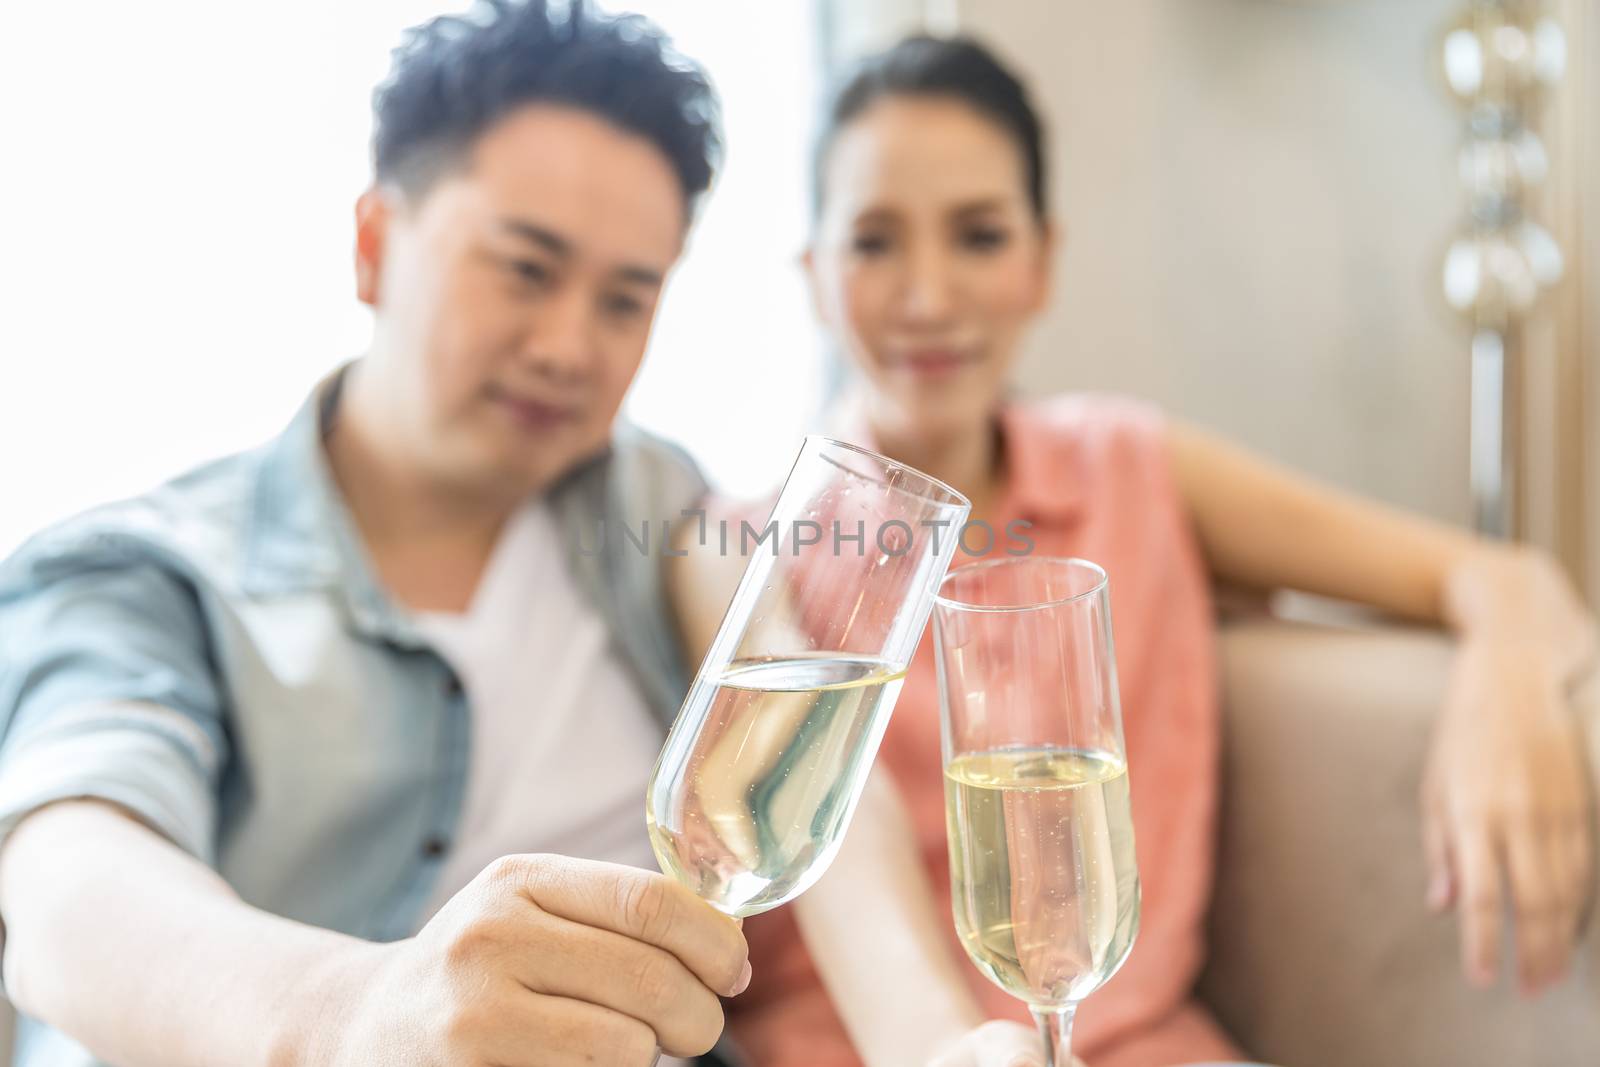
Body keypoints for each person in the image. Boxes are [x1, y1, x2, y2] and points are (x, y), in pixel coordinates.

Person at [673, 35, 1600, 1067]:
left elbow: (1498, 575)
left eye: (978, 236)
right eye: (874, 241)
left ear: (1041, 261)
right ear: (812, 272)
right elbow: (851, 856)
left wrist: (1505, 691)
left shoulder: (1134, 468)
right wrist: (952, 1047)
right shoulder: (738, 545)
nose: (927, 294)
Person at [0, 4, 749, 1064]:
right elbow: (70, 894)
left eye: (625, 301)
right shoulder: (147, 573)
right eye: (525, 270)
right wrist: (356, 1011)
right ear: (373, 245)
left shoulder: (658, 503)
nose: (568, 347)